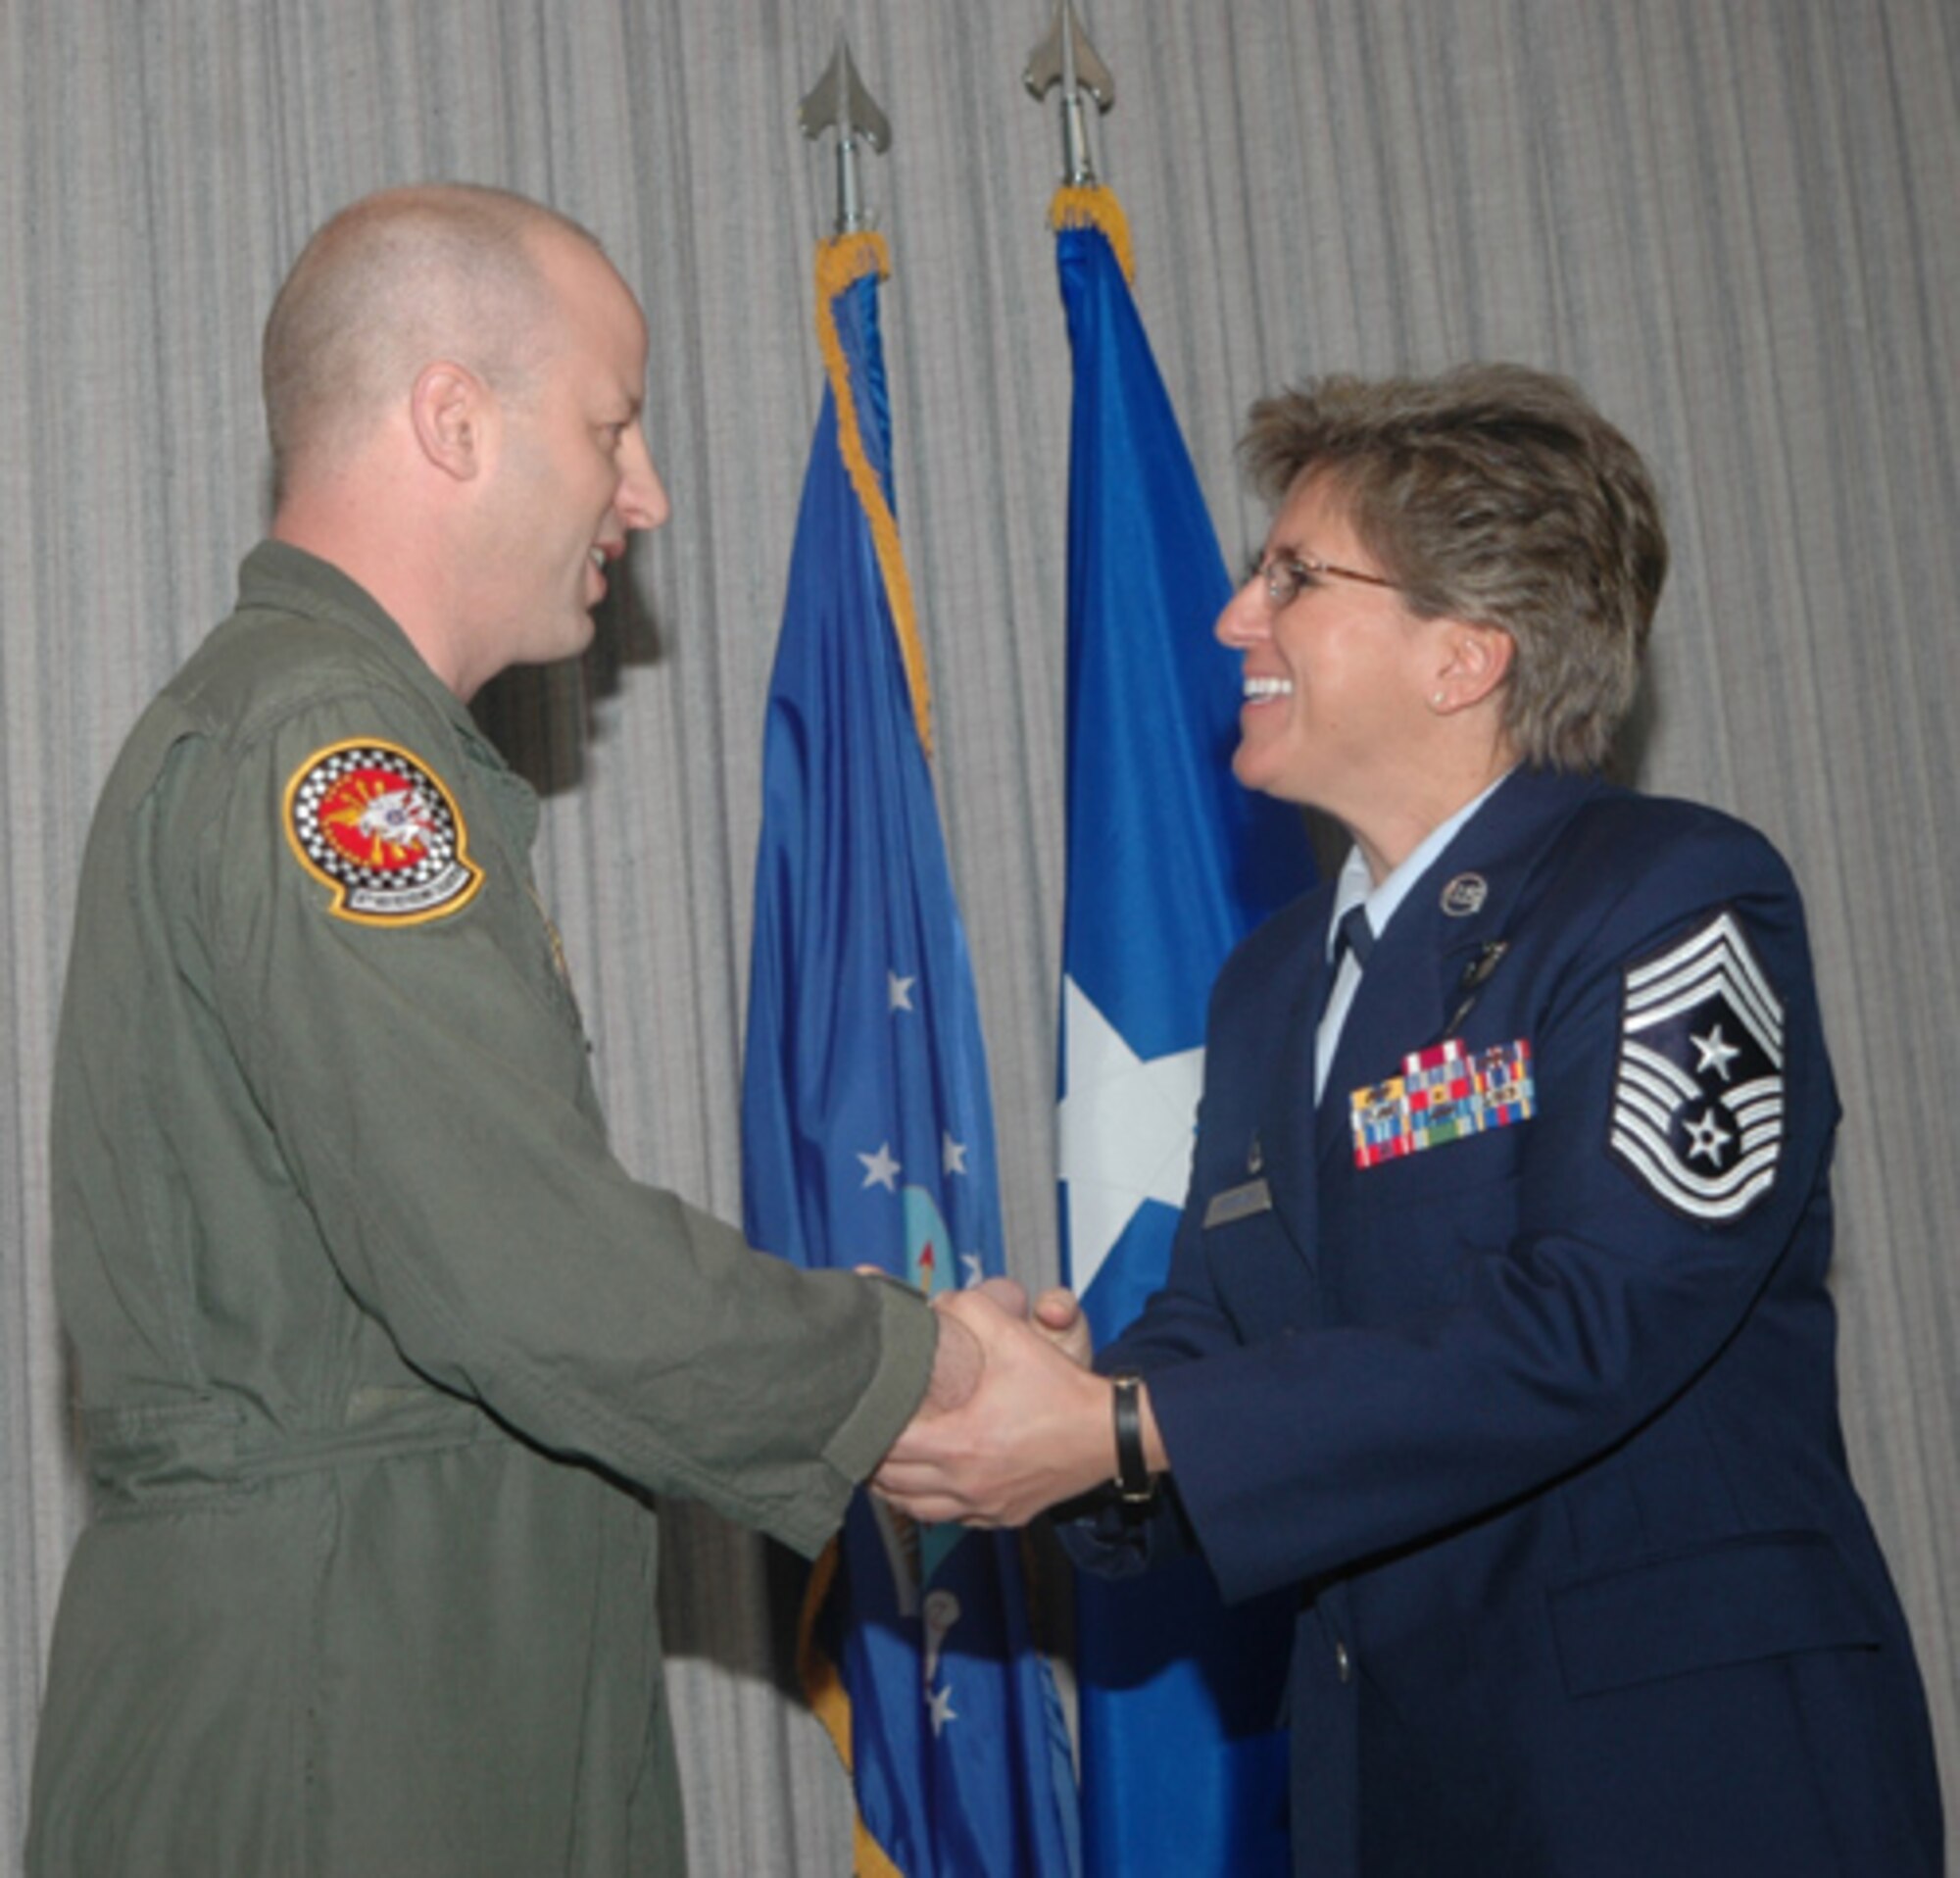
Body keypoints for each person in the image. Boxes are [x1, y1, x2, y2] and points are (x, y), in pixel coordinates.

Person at [26, 183, 981, 1877]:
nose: (649, 491)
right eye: (611, 426)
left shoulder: (320, 740)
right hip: (354, 1711)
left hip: (413, 1656)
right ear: (453, 419)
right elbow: (527, 1266)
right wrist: (931, 1369)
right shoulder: (333, 761)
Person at [876, 365, 1944, 1875]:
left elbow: (1590, 1325)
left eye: (1293, 578)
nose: (1236, 617)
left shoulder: (1671, 898)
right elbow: (1219, 1336)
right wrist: (1045, 1411)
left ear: (1465, 656)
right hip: (1396, 1791)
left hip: (1684, 1783)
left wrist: (1125, 1425)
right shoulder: (1266, 985)